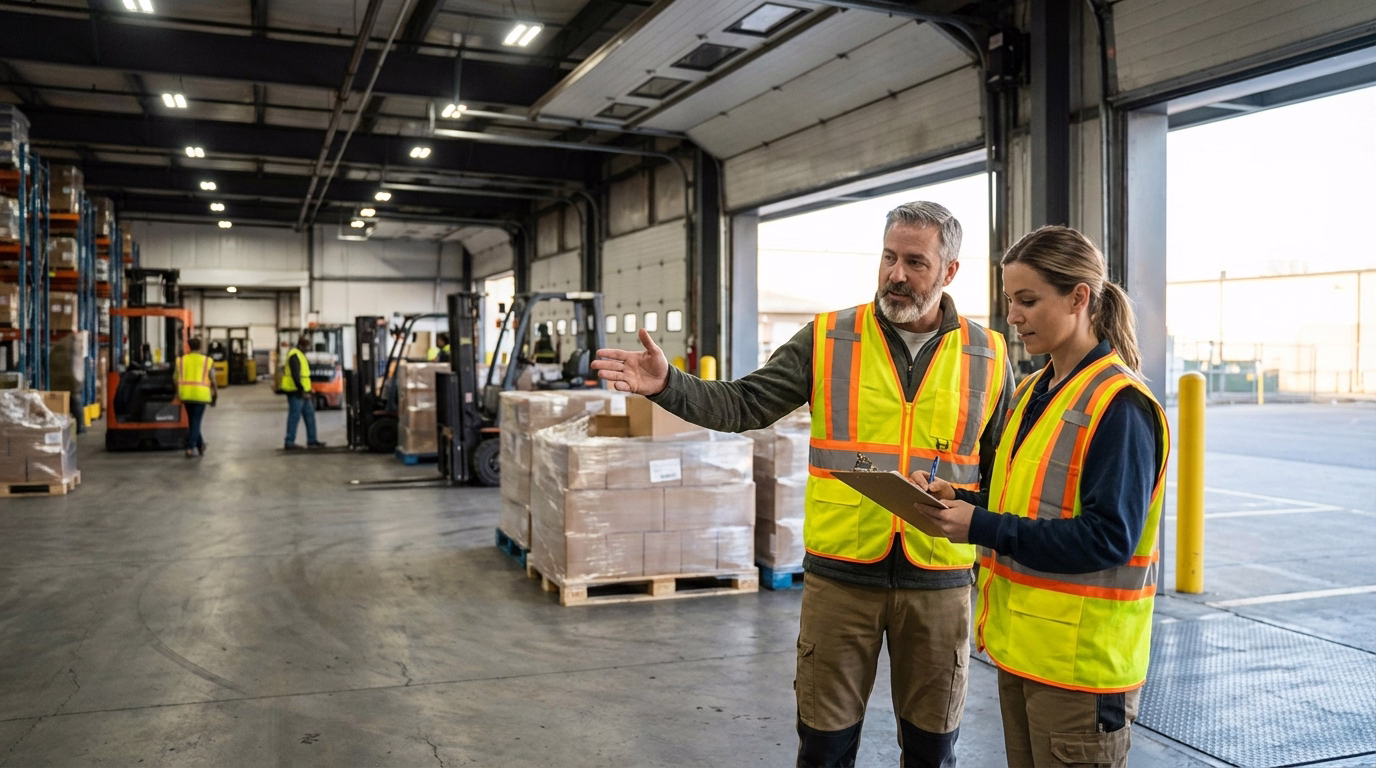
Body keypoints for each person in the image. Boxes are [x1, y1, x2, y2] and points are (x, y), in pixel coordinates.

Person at [593, 202, 1014, 767]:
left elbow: (1005, 472)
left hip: (938, 581)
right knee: (824, 748)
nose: (896, 274)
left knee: (933, 751)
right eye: (889, 257)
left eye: (915, 262)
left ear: (950, 272)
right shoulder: (829, 337)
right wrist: (670, 384)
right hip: (841, 578)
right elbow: (745, 403)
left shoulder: (988, 354)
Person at [910, 225, 1169, 768]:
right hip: (1024, 653)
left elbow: (1108, 538)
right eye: (1010, 301)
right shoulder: (1034, 389)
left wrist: (978, 528)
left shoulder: (1120, 405)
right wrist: (957, 498)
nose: (1015, 316)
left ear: (1079, 298)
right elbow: (1021, 499)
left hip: (1081, 670)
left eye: (1028, 301)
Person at [281, 333, 326, 450]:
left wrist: (308, 390)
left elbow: (304, 375)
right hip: (296, 392)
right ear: (301, 345)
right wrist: (301, 390)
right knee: (294, 416)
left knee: (310, 416)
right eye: (306, 347)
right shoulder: (294, 355)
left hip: (304, 392)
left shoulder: (300, 355)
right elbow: (296, 375)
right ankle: (289, 442)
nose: (307, 349)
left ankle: (312, 440)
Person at [176, 337, 216, 458]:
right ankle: (190, 447)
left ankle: (200, 444)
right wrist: (215, 395)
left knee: (193, 421)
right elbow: (213, 380)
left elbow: (175, 378)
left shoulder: (181, 360)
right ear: (200, 347)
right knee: (196, 421)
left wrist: (177, 393)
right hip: (201, 395)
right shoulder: (207, 361)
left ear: (188, 346)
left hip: (186, 394)